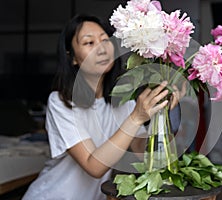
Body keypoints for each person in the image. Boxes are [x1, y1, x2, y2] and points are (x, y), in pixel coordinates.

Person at [22, 14, 182, 200]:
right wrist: (137, 117)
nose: (102, 48)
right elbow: (94, 166)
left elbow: (143, 153)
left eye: (105, 40)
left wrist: (160, 115)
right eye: (89, 43)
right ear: (72, 57)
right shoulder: (60, 102)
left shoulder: (122, 101)